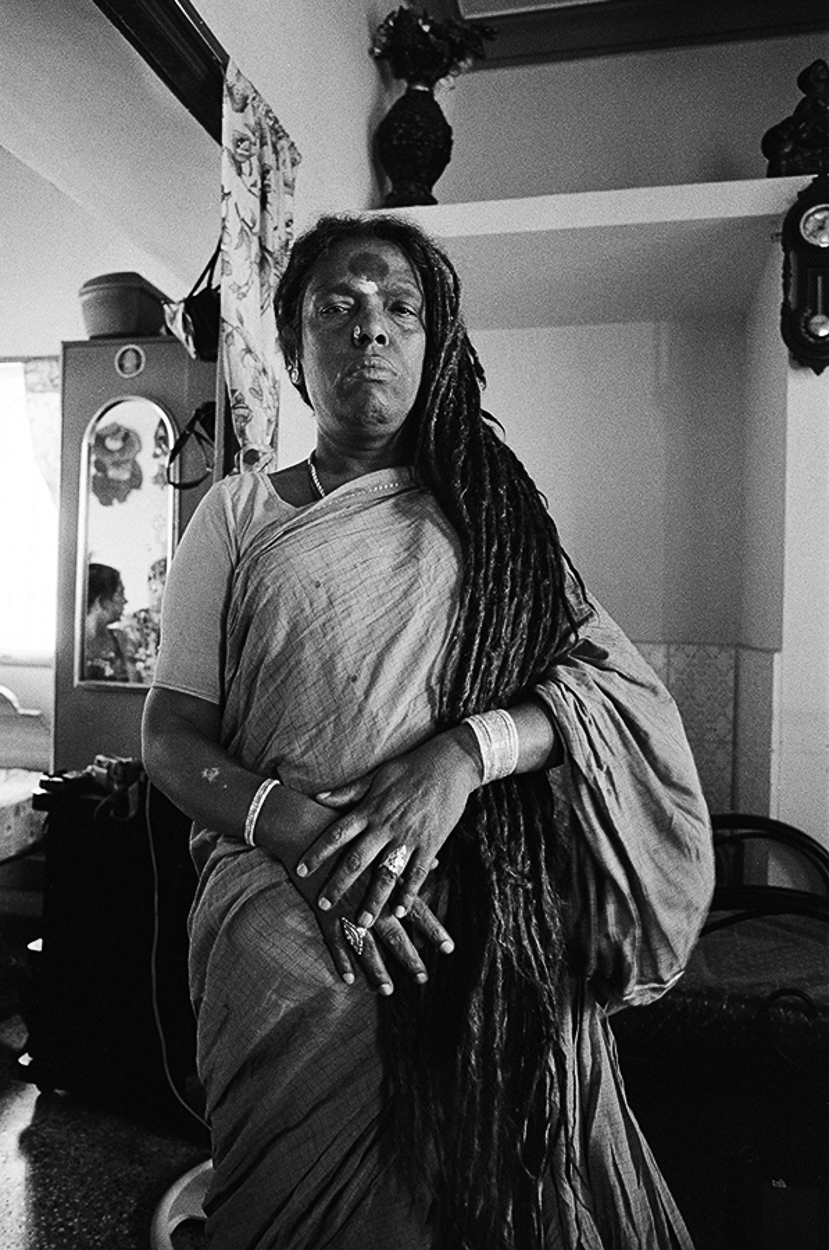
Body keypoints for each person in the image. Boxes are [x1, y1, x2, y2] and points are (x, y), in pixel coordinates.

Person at [142, 214, 714, 1250]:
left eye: (398, 308)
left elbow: (616, 695)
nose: (369, 330)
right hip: (280, 930)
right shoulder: (235, 515)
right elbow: (172, 736)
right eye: (336, 307)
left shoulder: (494, 516)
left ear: (434, 342)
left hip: (480, 925)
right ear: (296, 349)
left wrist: (463, 754)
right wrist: (304, 833)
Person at [84, 563, 139, 682]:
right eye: (120, 593)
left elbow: (133, 686)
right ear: (102, 600)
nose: (125, 601)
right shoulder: (73, 642)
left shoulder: (120, 639)